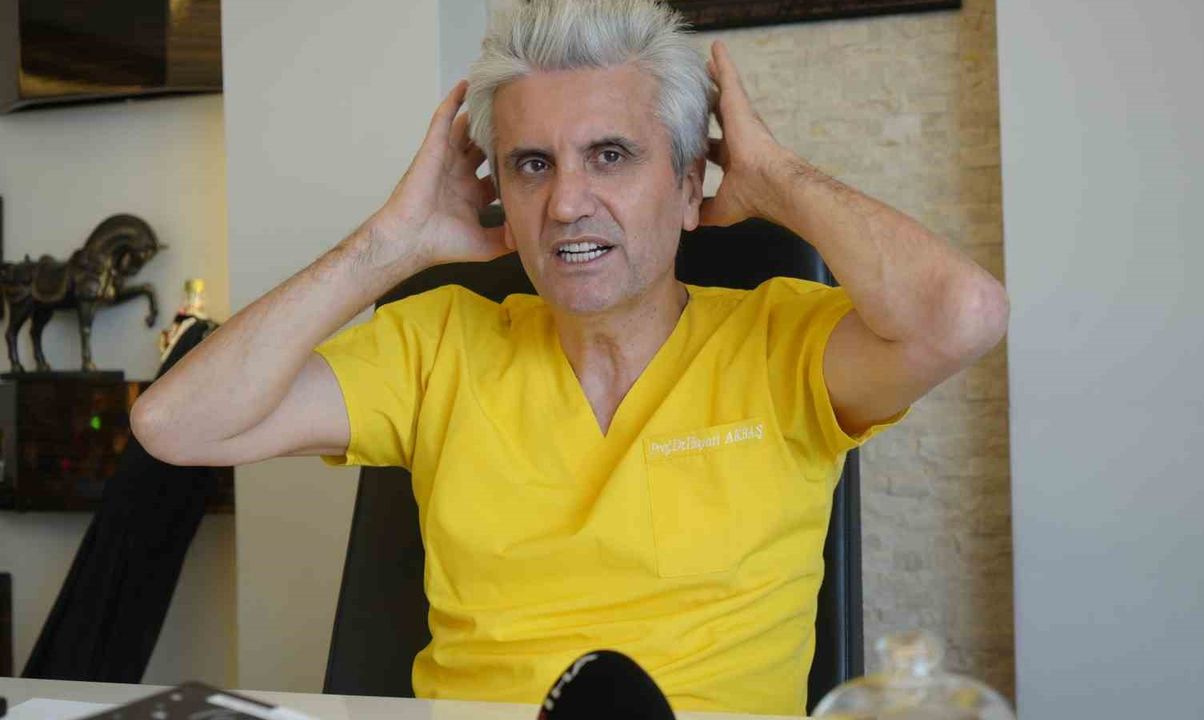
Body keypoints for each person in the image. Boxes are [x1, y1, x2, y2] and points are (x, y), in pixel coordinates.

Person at [132, 0, 1008, 715]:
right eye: (532, 165)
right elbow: (175, 424)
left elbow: (962, 315)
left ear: (688, 183)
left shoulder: (783, 342)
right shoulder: (437, 343)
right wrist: (390, 245)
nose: (565, 203)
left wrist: (776, 179)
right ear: (501, 197)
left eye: (610, 156)